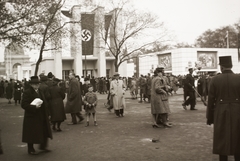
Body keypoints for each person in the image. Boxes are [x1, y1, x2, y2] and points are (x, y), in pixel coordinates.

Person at [207, 56, 240, 161]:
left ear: (221, 67)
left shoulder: (214, 80)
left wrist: (210, 117)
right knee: (237, 136)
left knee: (221, 136)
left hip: (220, 111)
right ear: (231, 66)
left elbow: (211, 100)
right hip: (237, 110)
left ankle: (223, 158)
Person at [21, 76, 52, 155]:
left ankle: (43, 146)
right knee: (31, 132)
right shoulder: (27, 92)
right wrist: (34, 107)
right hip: (32, 115)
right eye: (35, 84)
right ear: (31, 84)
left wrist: (48, 112)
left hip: (42, 114)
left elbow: (44, 102)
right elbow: (23, 104)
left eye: (38, 83)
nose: (37, 85)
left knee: (44, 130)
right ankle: (30, 149)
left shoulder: (40, 91)